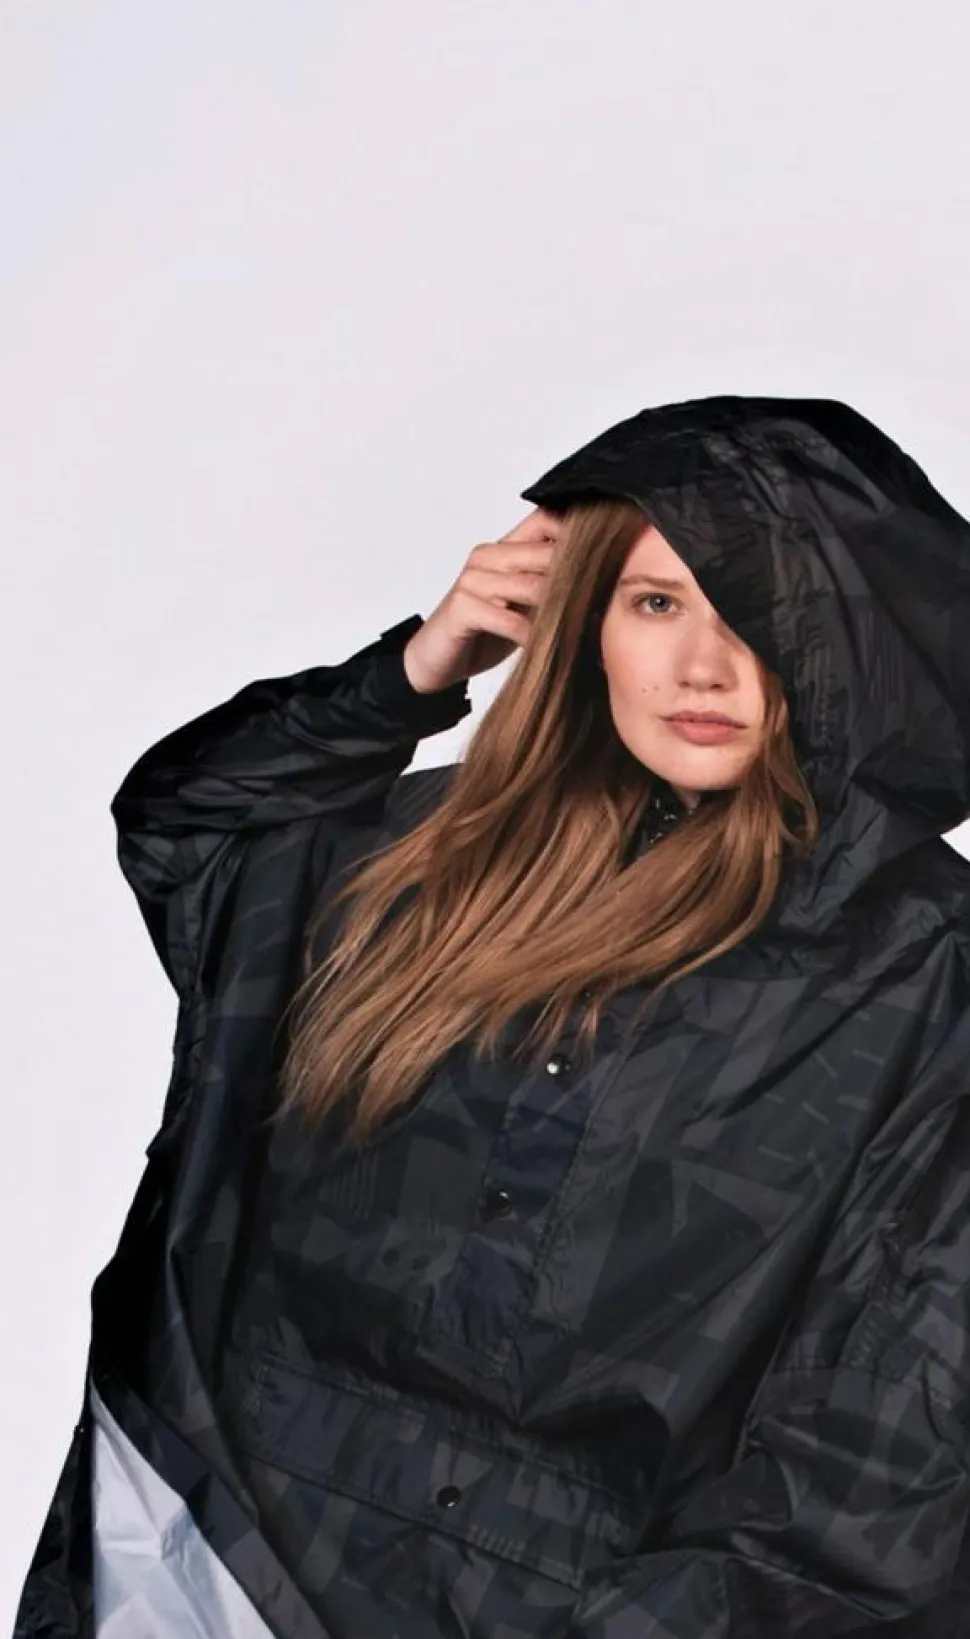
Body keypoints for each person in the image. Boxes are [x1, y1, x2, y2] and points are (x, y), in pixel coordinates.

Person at [14, 394, 970, 1639]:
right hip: (201, 1549)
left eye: (763, 613)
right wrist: (414, 671)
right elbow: (190, 826)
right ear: (581, 620)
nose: (704, 667)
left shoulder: (921, 976)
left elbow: (879, 1455)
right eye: (655, 602)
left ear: (855, 645)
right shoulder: (433, 852)